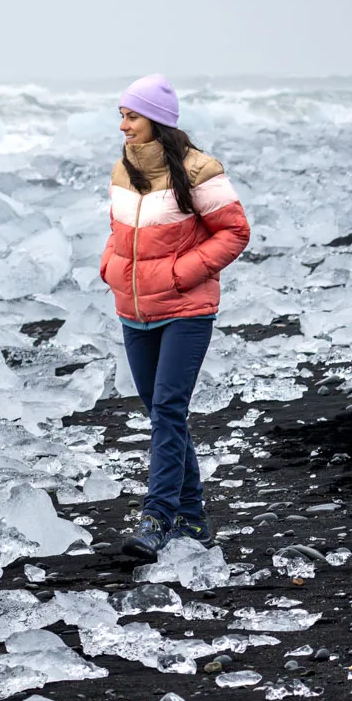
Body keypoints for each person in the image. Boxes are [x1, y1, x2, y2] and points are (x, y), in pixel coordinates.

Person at [98, 74, 251, 561]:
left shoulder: (199, 170)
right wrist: (112, 268)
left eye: (132, 116)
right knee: (163, 412)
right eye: (122, 115)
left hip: (186, 310)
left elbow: (234, 231)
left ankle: (157, 518)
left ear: (157, 121)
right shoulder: (123, 169)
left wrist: (181, 274)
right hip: (135, 311)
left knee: (167, 409)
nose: (123, 125)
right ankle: (195, 518)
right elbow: (118, 230)